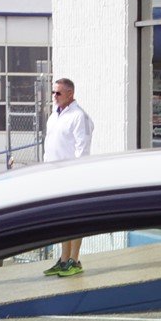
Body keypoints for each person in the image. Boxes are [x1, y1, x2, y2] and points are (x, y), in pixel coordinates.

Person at [43, 76, 96, 277]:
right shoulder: (54, 116)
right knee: (62, 219)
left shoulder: (78, 116)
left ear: (70, 94)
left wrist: (76, 176)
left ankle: (74, 260)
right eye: (53, 92)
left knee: (75, 218)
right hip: (54, 176)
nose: (54, 96)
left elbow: (82, 149)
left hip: (72, 177)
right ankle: (64, 259)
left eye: (58, 92)